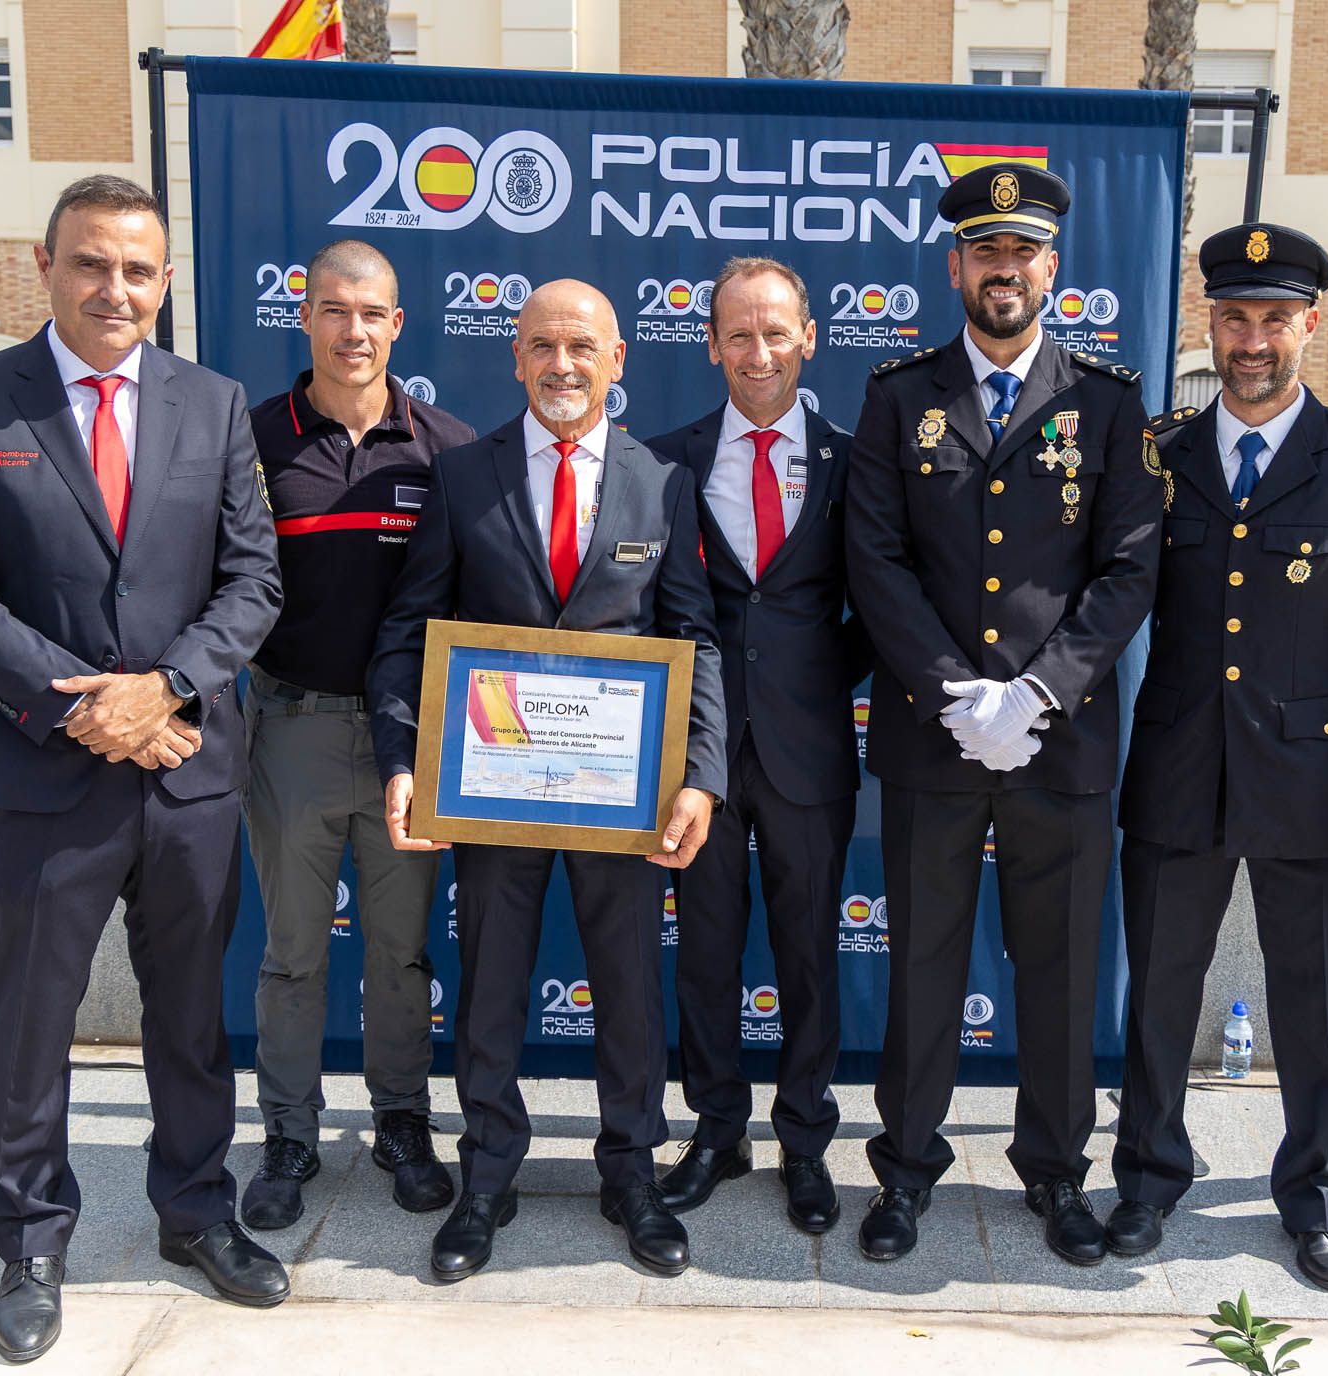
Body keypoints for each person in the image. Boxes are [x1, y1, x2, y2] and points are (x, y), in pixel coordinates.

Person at [0, 175, 287, 1363]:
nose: (114, 288)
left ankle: (195, 1210)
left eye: (137, 269)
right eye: (91, 264)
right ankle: (30, 1239)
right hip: (43, 776)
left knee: (189, 1013)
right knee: (33, 1015)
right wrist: (84, 707)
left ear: (164, 280)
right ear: (46, 264)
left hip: (184, 771)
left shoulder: (214, 404)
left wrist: (164, 686)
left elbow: (253, 581)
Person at [367, 279, 727, 1281]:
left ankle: (631, 1172)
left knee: (626, 988)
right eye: (542, 345)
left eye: (582, 346)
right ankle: (487, 1175)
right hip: (493, 789)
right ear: (515, 358)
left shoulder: (661, 483)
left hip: (626, 793)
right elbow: (407, 629)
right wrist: (404, 759)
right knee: (489, 985)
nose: (562, 364)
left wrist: (699, 776)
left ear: (620, 361)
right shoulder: (461, 477)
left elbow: (693, 635)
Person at [844, 163, 1161, 1265]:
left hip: (1060, 741)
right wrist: (953, 692)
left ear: (1052, 269)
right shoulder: (897, 397)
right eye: (986, 252)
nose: (1005, 270)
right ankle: (907, 1170)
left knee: (1062, 969)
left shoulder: (1110, 404)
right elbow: (874, 561)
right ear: (956, 267)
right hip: (934, 740)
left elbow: (1128, 570)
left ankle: (1058, 1173)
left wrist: (1034, 690)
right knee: (924, 959)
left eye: (1022, 252)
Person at [1109, 223, 1328, 1293]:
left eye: (1274, 320)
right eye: (1235, 318)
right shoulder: (1160, 454)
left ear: (1310, 326)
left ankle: (1316, 1193)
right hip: (1177, 772)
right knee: (1158, 989)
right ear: (1213, 322)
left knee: (1314, 1000)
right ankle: (1151, 1173)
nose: (1252, 340)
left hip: (1314, 784)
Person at [239, 240, 476, 1231]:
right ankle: (289, 1131)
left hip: (408, 748)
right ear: (305, 316)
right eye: (334, 310)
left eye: (370, 312)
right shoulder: (250, 442)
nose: (353, 330)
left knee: (399, 953)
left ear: (397, 325)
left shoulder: (450, 451)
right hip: (289, 726)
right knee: (294, 951)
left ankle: (402, 1119)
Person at [645, 257, 870, 1234]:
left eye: (776, 331)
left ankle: (808, 1140)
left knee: (810, 951)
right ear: (711, 345)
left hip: (811, 747)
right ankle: (718, 1128)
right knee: (703, 950)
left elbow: (885, 605)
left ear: (809, 337)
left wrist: (819, 670)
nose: (759, 350)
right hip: (696, 758)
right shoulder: (666, 462)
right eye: (739, 333)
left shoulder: (856, 462)